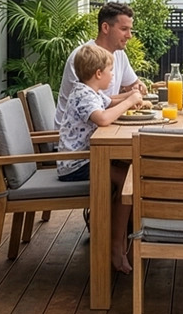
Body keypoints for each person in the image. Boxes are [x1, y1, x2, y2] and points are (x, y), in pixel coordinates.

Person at [54, 43, 145, 273]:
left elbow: (110, 101)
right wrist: (129, 101)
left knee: (127, 175)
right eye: (110, 71)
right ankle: (117, 245)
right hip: (76, 166)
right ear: (98, 74)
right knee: (128, 181)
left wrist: (132, 94)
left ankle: (119, 239)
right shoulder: (83, 95)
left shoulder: (88, 91)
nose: (113, 75)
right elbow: (103, 118)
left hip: (86, 160)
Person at [58, 1, 145, 106]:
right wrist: (129, 98)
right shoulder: (83, 57)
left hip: (106, 120)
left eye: (130, 30)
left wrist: (138, 87)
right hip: (82, 122)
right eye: (124, 29)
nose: (129, 35)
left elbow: (133, 84)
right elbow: (94, 103)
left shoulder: (119, 55)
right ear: (105, 28)